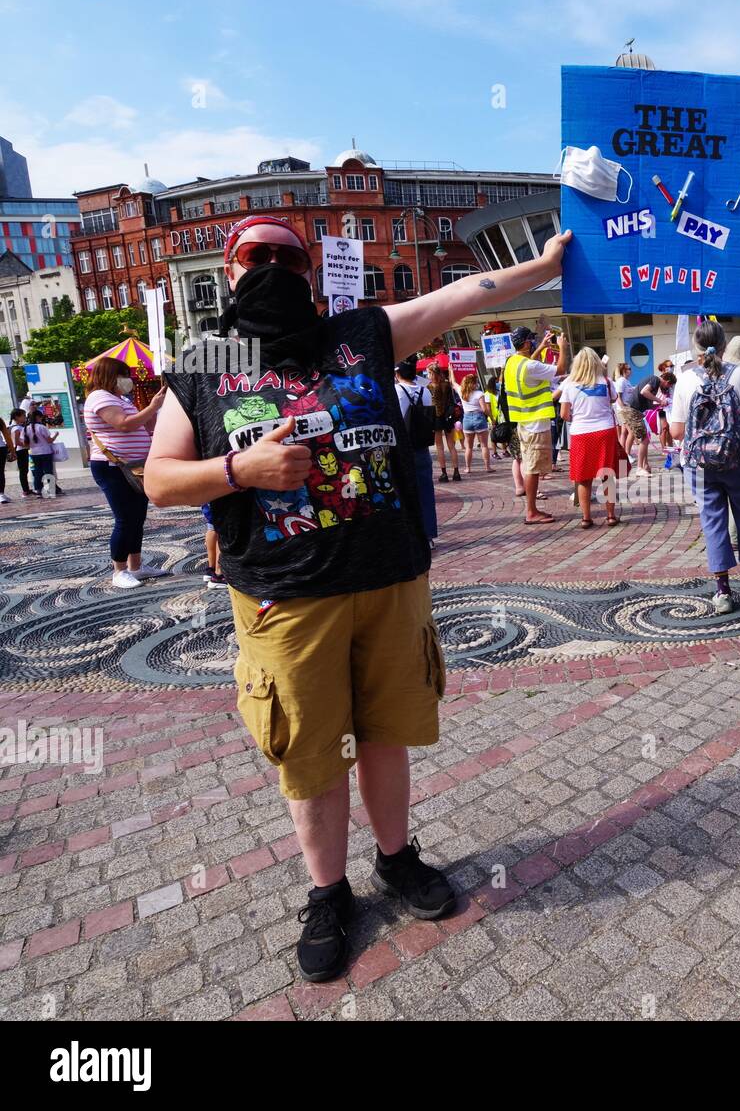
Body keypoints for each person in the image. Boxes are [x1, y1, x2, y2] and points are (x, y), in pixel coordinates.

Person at [146, 213, 572, 982]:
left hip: (387, 580)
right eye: (256, 255)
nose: (273, 266)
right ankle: (327, 890)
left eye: (288, 257)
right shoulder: (206, 361)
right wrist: (243, 473)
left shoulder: (358, 335)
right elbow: (160, 478)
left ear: (309, 271)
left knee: (385, 730)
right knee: (310, 750)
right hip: (284, 595)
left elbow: (459, 297)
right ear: (231, 269)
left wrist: (539, 270)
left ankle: (397, 858)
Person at [670, 321, 740, 614]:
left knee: (713, 522)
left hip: (699, 464)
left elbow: (676, 431)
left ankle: (722, 593)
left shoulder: (685, 380)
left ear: (696, 346)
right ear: (724, 345)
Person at [83, 357, 169, 587]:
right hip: (113, 466)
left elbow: (143, 425)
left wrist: (155, 412)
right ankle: (119, 570)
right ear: (110, 376)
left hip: (134, 465)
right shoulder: (100, 397)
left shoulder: (120, 398)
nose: (128, 380)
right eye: (123, 375)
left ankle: (136, 566)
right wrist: (152, 408)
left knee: (137, 517)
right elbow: (123, 424)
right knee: (125, 518)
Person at [503, 324, 569, 524]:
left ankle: (532, 509)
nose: (533, 343)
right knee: (532, 468)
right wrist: (563, 347)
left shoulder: (513, 362)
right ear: (525, 343)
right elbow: (561, 369)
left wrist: (540, 347)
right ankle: (531, 511)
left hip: (523, 421)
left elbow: (528, 365)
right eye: (531, 340)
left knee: (530, 464)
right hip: (535, 423)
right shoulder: (530, 366)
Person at [559, 347, 622, 528]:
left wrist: (578, 418)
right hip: (605, 432)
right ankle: (610, 516)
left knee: (583, 478)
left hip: (580, 434)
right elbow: (612, 400)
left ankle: (586, 518)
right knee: (607, 476)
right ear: (596, 363)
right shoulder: (607, 382)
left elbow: (564, 414)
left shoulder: (570, 384)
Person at [395, 358, 439, 545]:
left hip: (403, 447)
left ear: (397, 373)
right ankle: (428, 534)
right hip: (422, 446)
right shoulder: (425, 391)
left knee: (404, 492)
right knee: (426, 491)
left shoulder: (396, 391)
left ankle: (411, 535)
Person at [427, 365, 461, 483]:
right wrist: (451, 371)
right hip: (448, 416)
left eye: (429, 373)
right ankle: (456, 472)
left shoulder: (429, 387)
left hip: (436, 417)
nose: (428, 375)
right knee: (452, 446)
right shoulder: (446, 385)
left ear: (432, 374)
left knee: (440, 447)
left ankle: (444, 473)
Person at [15, 408, 58, 499]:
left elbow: (24, 443)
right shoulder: (42, 427)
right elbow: (49, 440)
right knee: (48, 471)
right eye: (41, 417)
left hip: (33, 453)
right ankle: (51, 489)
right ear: (38, 417)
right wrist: (56, 435)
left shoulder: (25, 429)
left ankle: (38, 489)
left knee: (37, 472)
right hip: (45, 452)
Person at [459, 371, 492, 474]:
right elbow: (484, 409)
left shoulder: (461, 392)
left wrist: (451, 370)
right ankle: (487, 467)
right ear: (473, 383)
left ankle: (468, 468)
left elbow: (453, 382)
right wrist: (492, 417)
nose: (477, 384)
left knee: (468, 447)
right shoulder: (479, 394)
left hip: (467, 419)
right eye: (476, 382)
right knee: (484, 445)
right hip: (479, 418)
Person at [8, 410, 33, 496]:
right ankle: (25, 490)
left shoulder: (18, 427)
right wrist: (27, 446)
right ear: (17, 417)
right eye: (23, 416)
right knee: (23, 471)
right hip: (21, 451)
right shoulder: (16, 428)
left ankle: (26, 489)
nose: (25, 417)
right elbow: (17, 442)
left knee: (24, 470)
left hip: (22, 450)